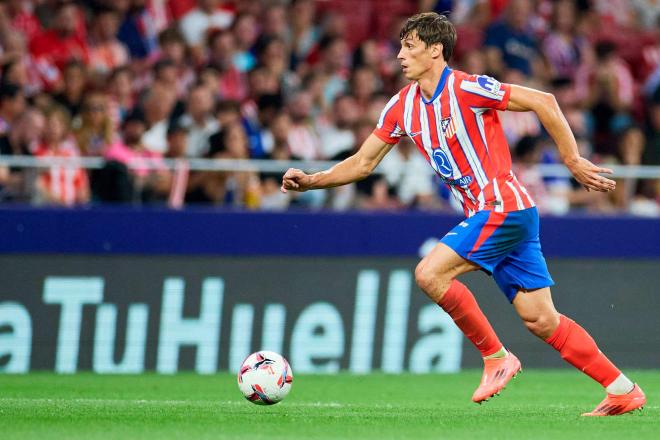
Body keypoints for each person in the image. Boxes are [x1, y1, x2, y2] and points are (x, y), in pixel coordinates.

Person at [280, 12, 645, 416]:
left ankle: (496, 357)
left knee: (429, 273)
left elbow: (545, 101)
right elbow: (362, 164)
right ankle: (622, 388)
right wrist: (312, 181)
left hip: (502, 207)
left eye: (410, 46)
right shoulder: (401, 106)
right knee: (541, 319)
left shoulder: (467, 88)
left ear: (436, 50)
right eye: (400, 46)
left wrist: (572, 159)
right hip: (504, 214)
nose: (400, 55)